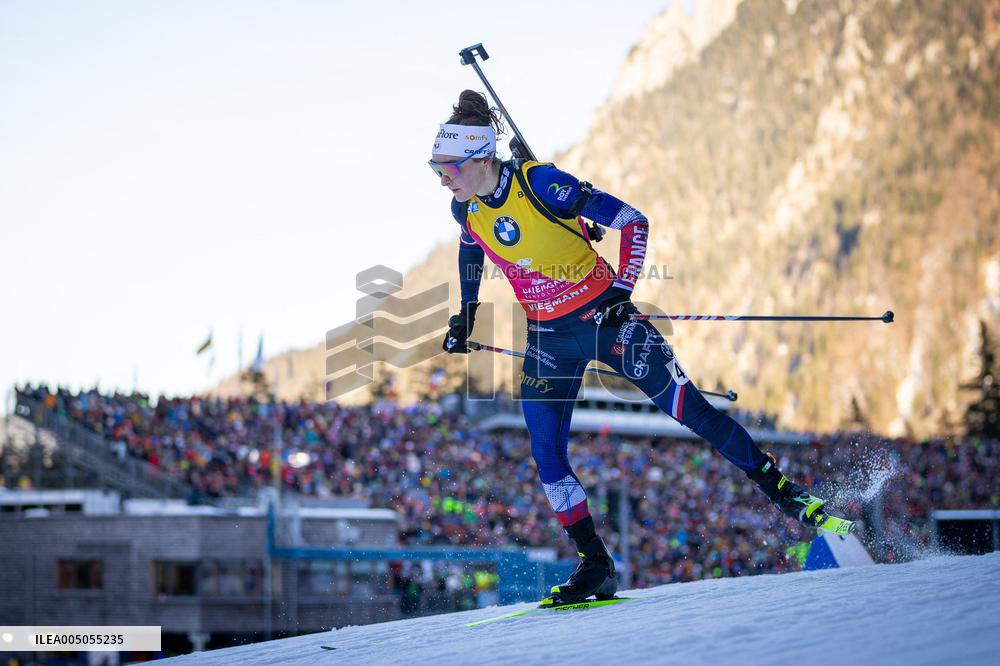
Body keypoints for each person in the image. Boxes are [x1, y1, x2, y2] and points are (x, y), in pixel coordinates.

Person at [431, 90, 835, 606]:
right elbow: (472, 247)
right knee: (546, 454)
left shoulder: (542, 184)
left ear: (482, 156)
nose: (442, 178)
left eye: (449, 167)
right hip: (548, 338)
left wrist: (622, 292)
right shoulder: (462, 208)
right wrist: (466, 312)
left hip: (606, 319)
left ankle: (787, 494)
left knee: (693, 413)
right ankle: (595, 564)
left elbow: (633, 222)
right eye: (437, 169)